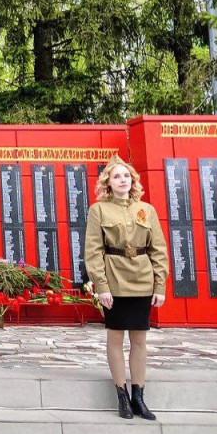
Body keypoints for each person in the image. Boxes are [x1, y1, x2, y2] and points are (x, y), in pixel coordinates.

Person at [85, 156, 169, 420]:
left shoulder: (147, 210)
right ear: (108, 183)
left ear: (133, 181)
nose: (123, 180)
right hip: (115, 279)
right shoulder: (99, 210)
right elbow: (93, 251)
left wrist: (160, 284)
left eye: (126, 176)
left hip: (142, 279)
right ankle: (121, 395)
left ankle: (139, 397)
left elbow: (159, 250)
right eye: (116, 176)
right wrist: (102, 286)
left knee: (140, 340)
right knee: (115, 337)